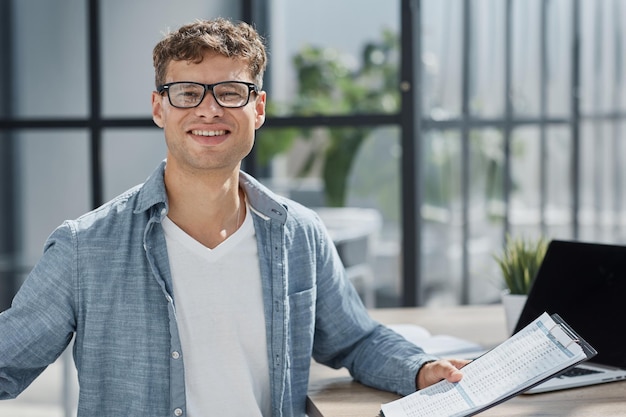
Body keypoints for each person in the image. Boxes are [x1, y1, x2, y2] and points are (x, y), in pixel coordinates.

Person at [0, 18, 468, 417]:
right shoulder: (86, 247)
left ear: (257, 108)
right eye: (186, 92)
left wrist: (420, 368)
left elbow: (355, 339)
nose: (209, 108)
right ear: (159, 108)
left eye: (230, 92)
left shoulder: (298, 234)